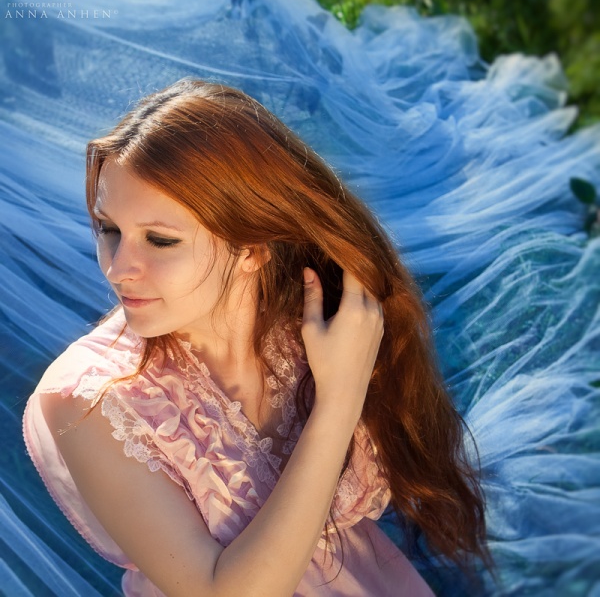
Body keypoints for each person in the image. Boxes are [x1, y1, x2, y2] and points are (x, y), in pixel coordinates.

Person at [23, 78, 492, 596]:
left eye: (159, 239)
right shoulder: (86, 401)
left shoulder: (316, 328)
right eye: (109, 229)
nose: (118, 268)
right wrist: (339, 399)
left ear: (251, 250)